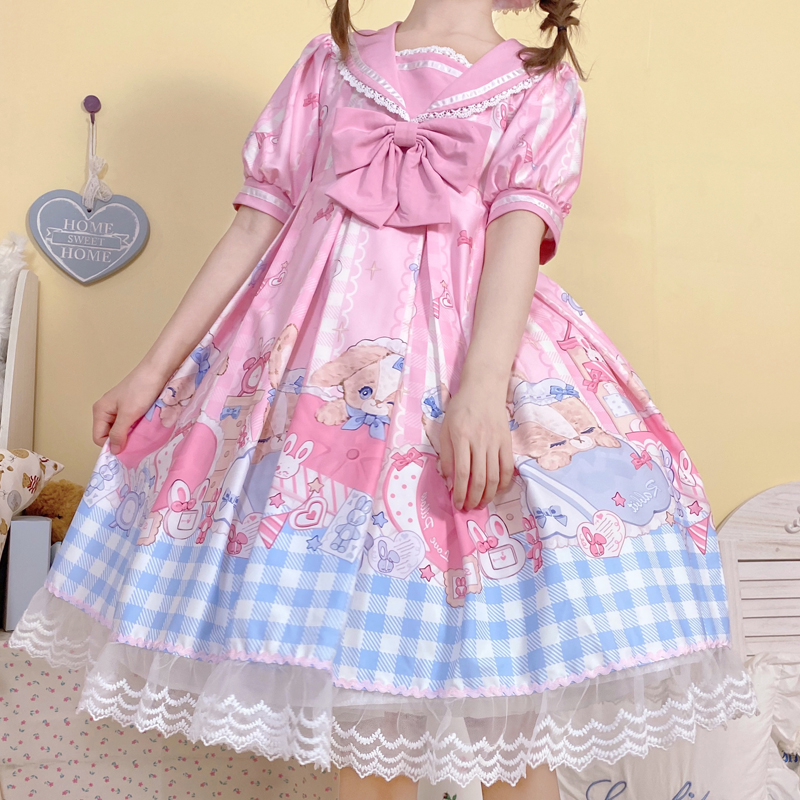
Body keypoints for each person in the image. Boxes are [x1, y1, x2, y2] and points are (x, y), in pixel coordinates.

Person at [10, 0, 759, 797]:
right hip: (326, 393)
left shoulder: (539, 87)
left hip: (463, 373)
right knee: (364, 722)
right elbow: (252, 230)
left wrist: (482, 393)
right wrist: (150, 373)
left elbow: (517, 242)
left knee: (506, 716)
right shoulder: (328, 66)